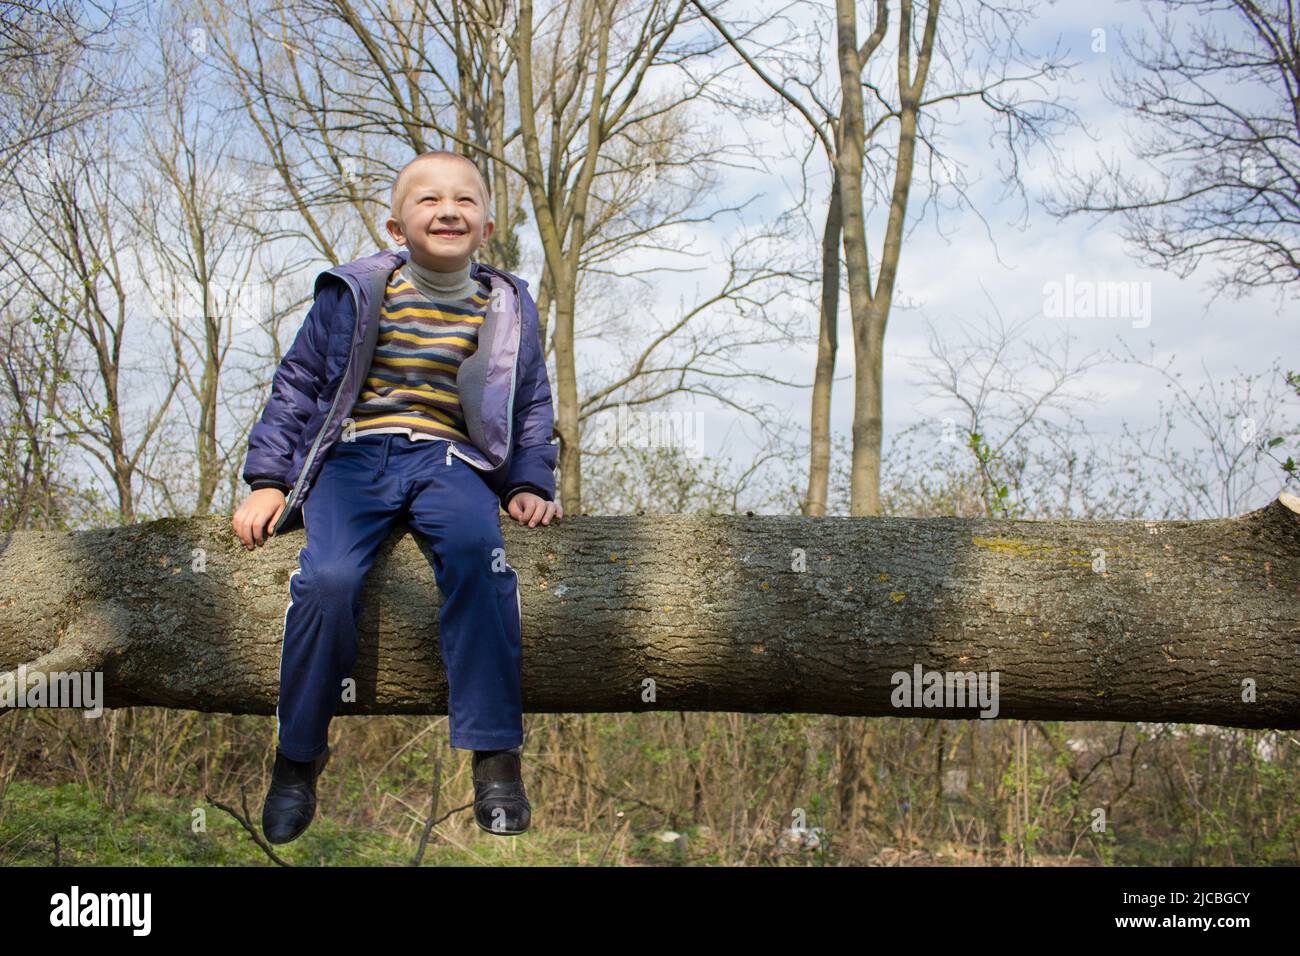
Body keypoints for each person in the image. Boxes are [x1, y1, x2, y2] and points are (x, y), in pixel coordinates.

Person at [231, 150, 561, 844]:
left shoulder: (506, 303)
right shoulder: (351, 292)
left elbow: (529, 400)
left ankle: (495, 756)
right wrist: (269, 480)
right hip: (354, 458)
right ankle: (297, 758)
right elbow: (296, 387)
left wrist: (529, 482)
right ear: (394, 224)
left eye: (465, 201)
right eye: (428, 201)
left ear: (489, 224)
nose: (448, 211)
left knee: (479, 557)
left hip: (450, 460)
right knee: (327, 578)